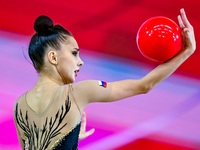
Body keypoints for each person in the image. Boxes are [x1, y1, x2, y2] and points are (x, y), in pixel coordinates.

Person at [13, 8, 196, 150]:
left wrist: (69, 137)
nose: (80, 62)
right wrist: (187, 51)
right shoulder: (79, 92)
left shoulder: (19, 105)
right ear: (53, 57)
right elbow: (143, 85)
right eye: (74, 54)